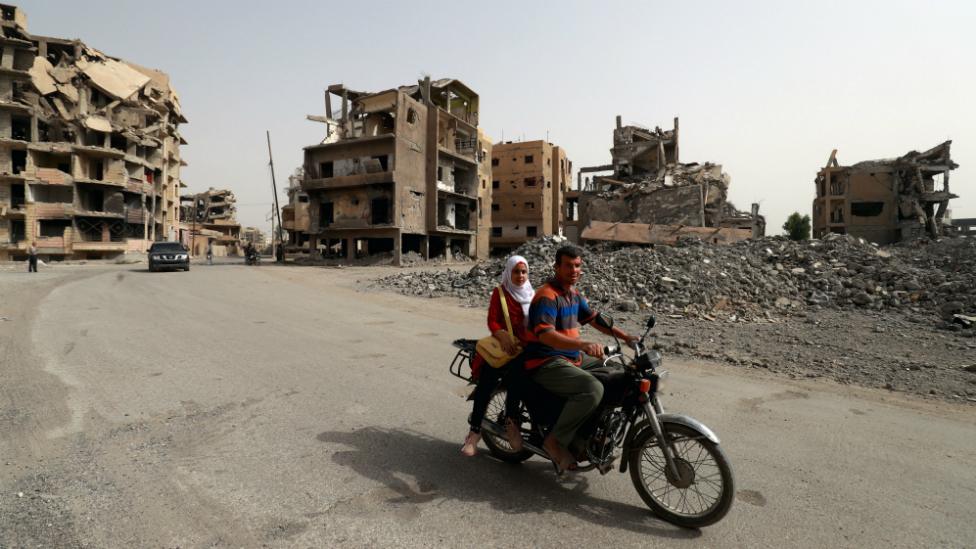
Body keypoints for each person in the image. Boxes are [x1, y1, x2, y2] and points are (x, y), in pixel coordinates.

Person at [524, 245, 637, 472]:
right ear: (557, 267)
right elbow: (546, 335)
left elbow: (594, 318)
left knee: (619, 374)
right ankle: (554, 441)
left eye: (577, 266)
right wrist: (583, 344)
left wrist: (625, 337)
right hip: (546, 361)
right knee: (592, 388)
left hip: (571, 357)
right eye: (568, 265)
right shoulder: (547, 296)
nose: (573, 270)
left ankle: (588, 435)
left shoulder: (573, 294)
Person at [461, 255, 534, 457]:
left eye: (524, 271)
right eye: (516, 271)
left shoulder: (532, 293)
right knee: (487, 382)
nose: (520, 275)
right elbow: (493, 321)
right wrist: (502, 335)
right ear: (509, 273)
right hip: (504, 347)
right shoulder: (500, 292)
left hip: (527, 347)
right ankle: (474, 432)